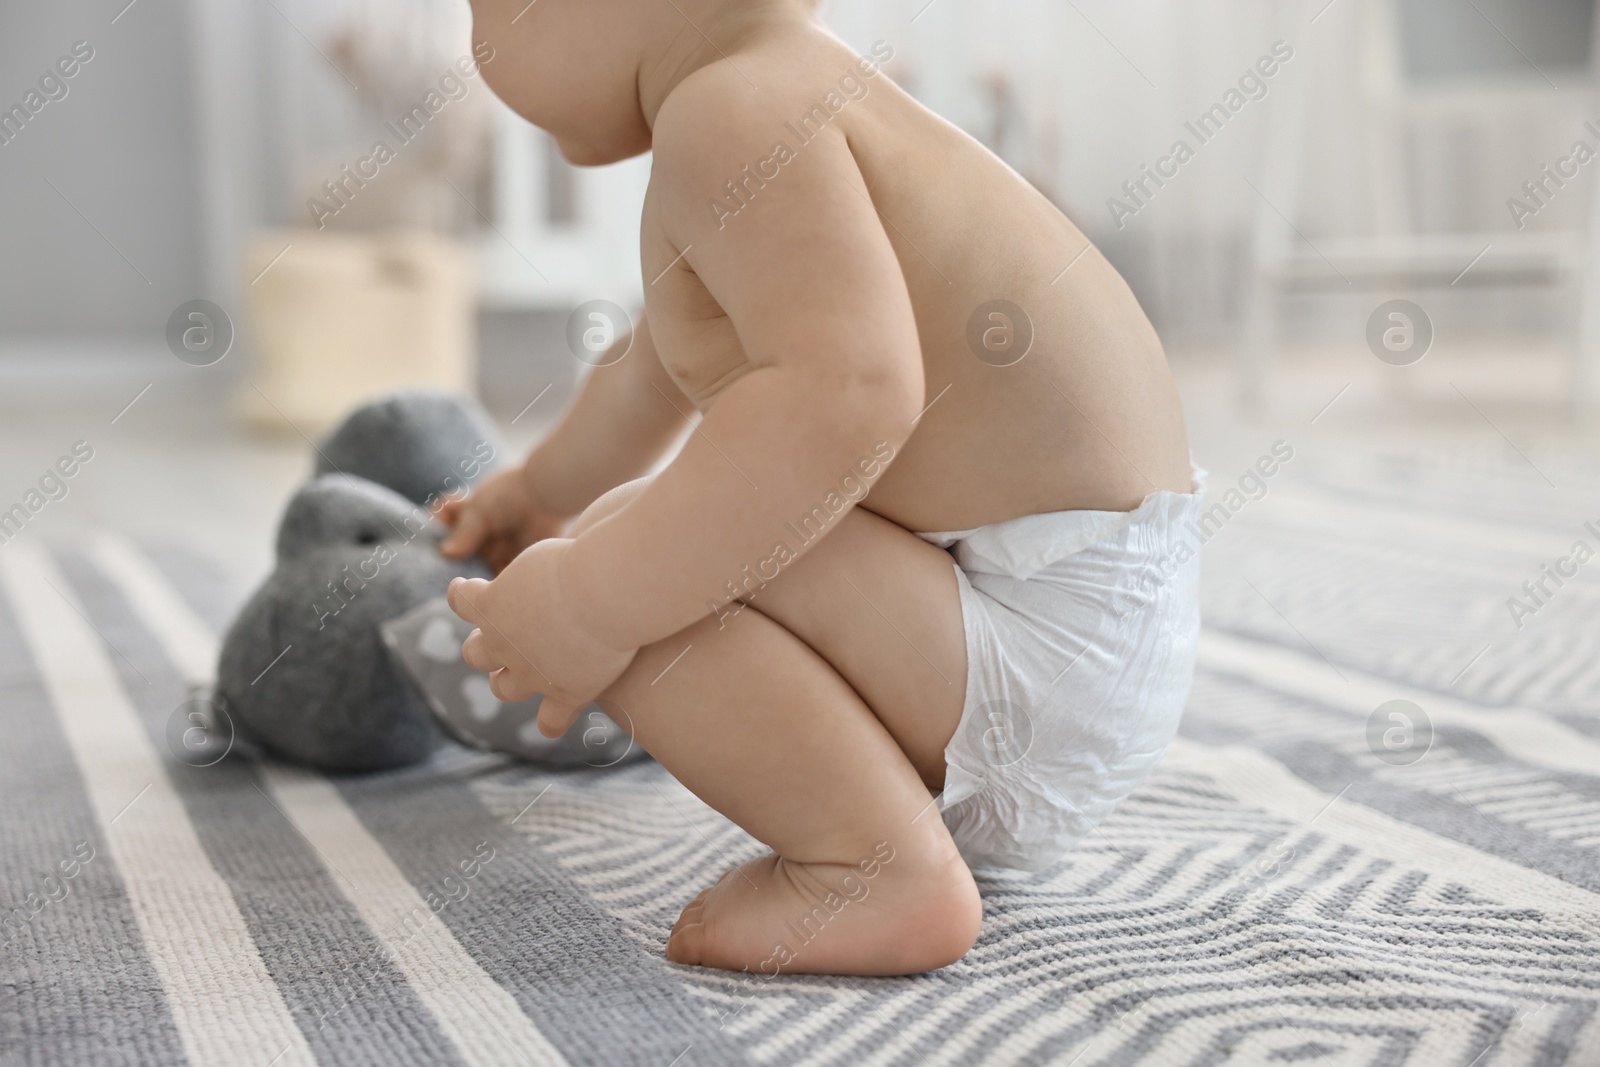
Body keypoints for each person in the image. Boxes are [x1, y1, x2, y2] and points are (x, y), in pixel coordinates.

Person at [440, 0, 1201, 977]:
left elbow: (848, 396)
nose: (475, 40)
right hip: (1063, 647)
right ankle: (884, 825)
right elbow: (654, 370)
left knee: (635, 557)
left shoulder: (733, 116)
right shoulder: (773, 95)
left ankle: (873, 865)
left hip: (1029, 656)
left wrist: (588, 600)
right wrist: (537, 491)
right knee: (626, 538)